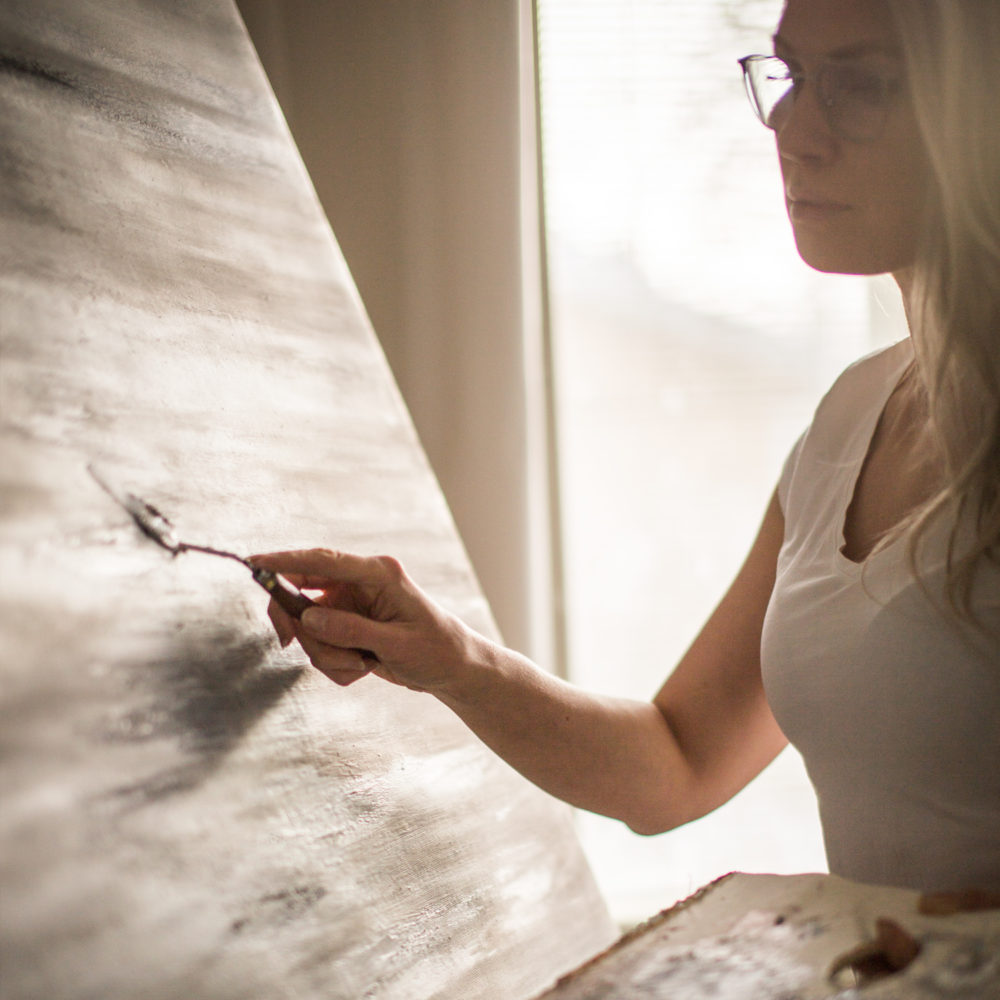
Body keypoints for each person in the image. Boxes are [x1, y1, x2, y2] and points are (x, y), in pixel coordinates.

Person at [252, 0, 1000, 896]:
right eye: (793, 77)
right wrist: (452, 660)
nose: (793, 133)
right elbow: (678, 762)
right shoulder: (845, 425)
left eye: (861, 87)